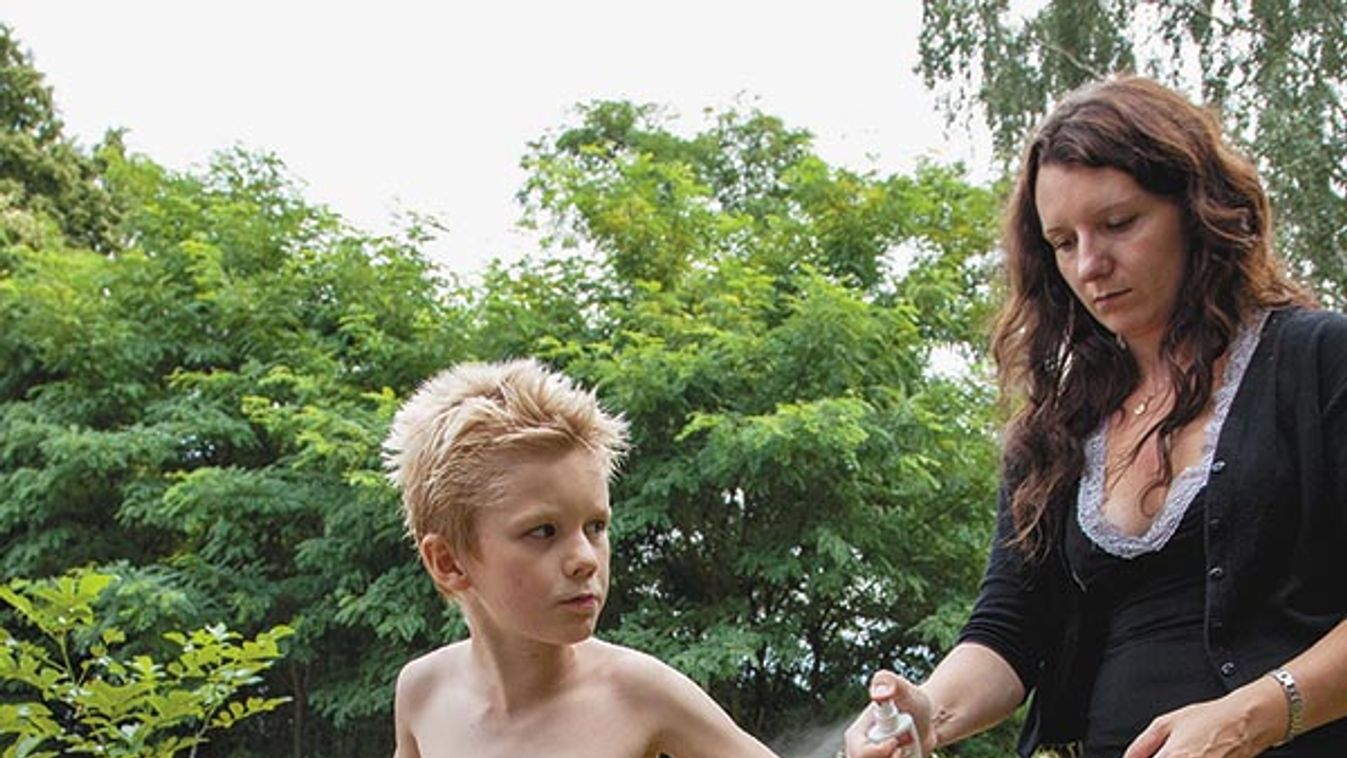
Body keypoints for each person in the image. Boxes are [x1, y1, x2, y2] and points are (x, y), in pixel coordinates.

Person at [843, 76, 1347, 758]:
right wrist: (925, 712)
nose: (1089, 265)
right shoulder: (1054, 428)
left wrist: (1249, 717)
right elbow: (1008, 628)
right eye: (1061, 241)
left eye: (1117, 224)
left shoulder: (1319, 360)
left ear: (1197, 209)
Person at [383, 359, 780, 758]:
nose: (585, 559)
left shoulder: (640, 694)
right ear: (448, 563)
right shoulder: (424, 693)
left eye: (595, 527)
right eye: (543, 532)